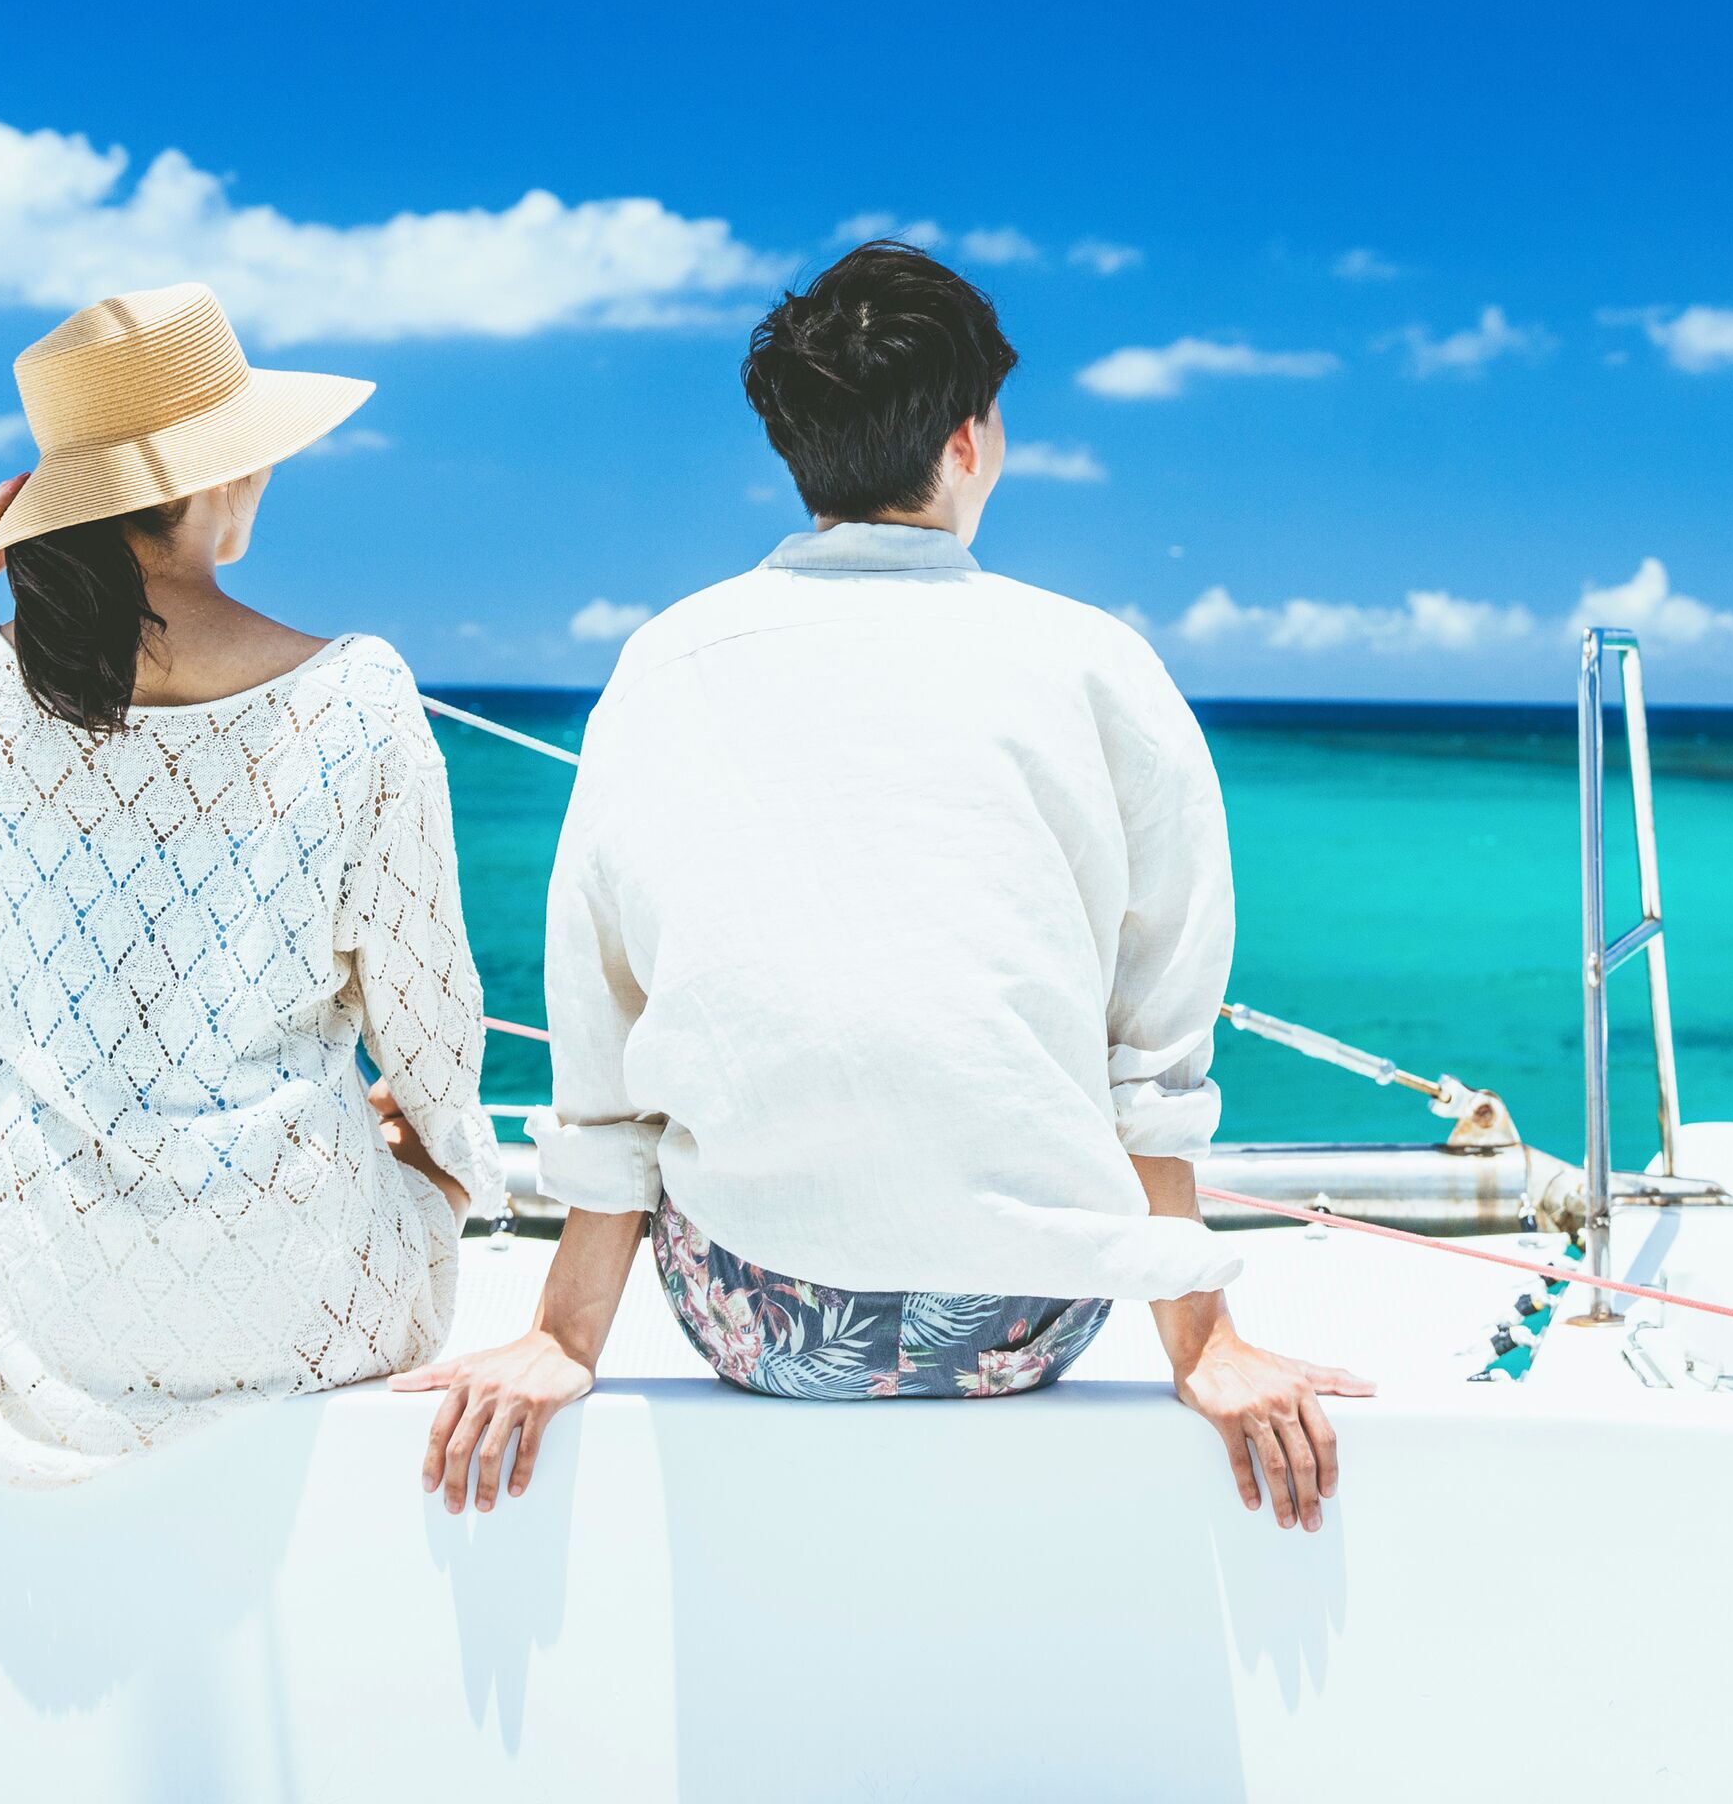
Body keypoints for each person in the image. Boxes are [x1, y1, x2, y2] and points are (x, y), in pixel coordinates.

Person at [399, 243, 1367, 1522]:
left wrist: (566, 1337)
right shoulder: (1095, 663)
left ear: (798, 452)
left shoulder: (670, 659)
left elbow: (602, 1012)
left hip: (761, 1322)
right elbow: (1156, 1039)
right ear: (967, 444)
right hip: (1022, 1321)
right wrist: (1206, 1343)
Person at [0, 282, 505, 1486]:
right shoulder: (358, 696)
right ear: (212, 484)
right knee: (398, 1191)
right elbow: (431, 1014)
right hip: (292, 1282)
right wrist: (446, 1165)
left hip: (32, 1284)